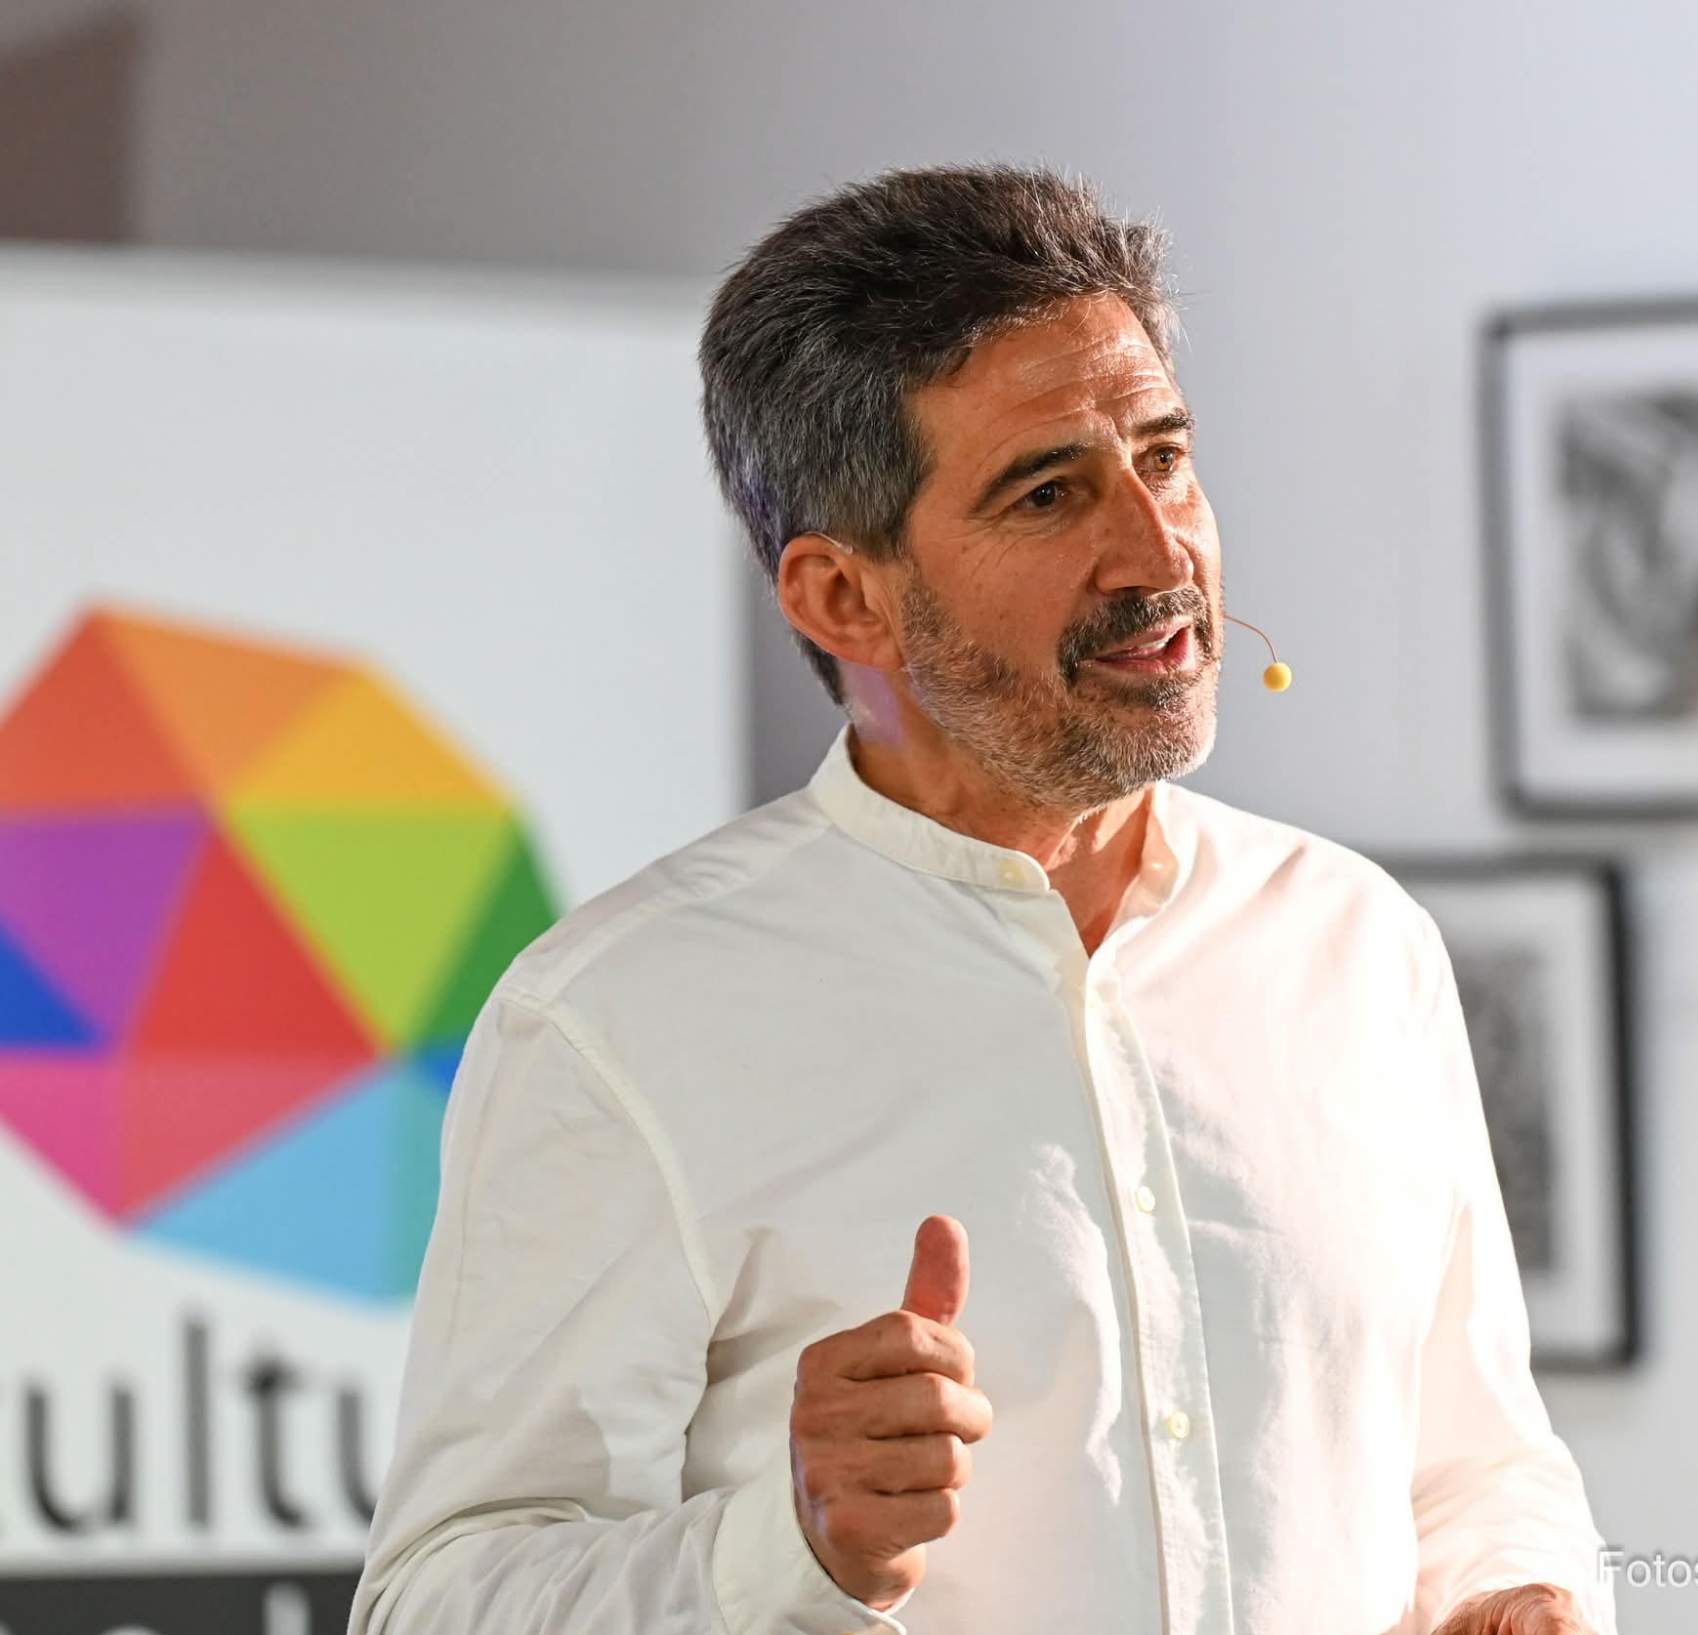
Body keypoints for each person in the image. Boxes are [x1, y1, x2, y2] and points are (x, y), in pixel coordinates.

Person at [346, 161, 1619, 1635]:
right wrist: (792, 1549)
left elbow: (1476, 1464)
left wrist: (1517, 1587)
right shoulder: (619, 1020)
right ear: (843, 597)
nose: (1160, 553)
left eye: (1164, 457)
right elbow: (437, 1601)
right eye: (1048, 493)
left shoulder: (1356, 945)